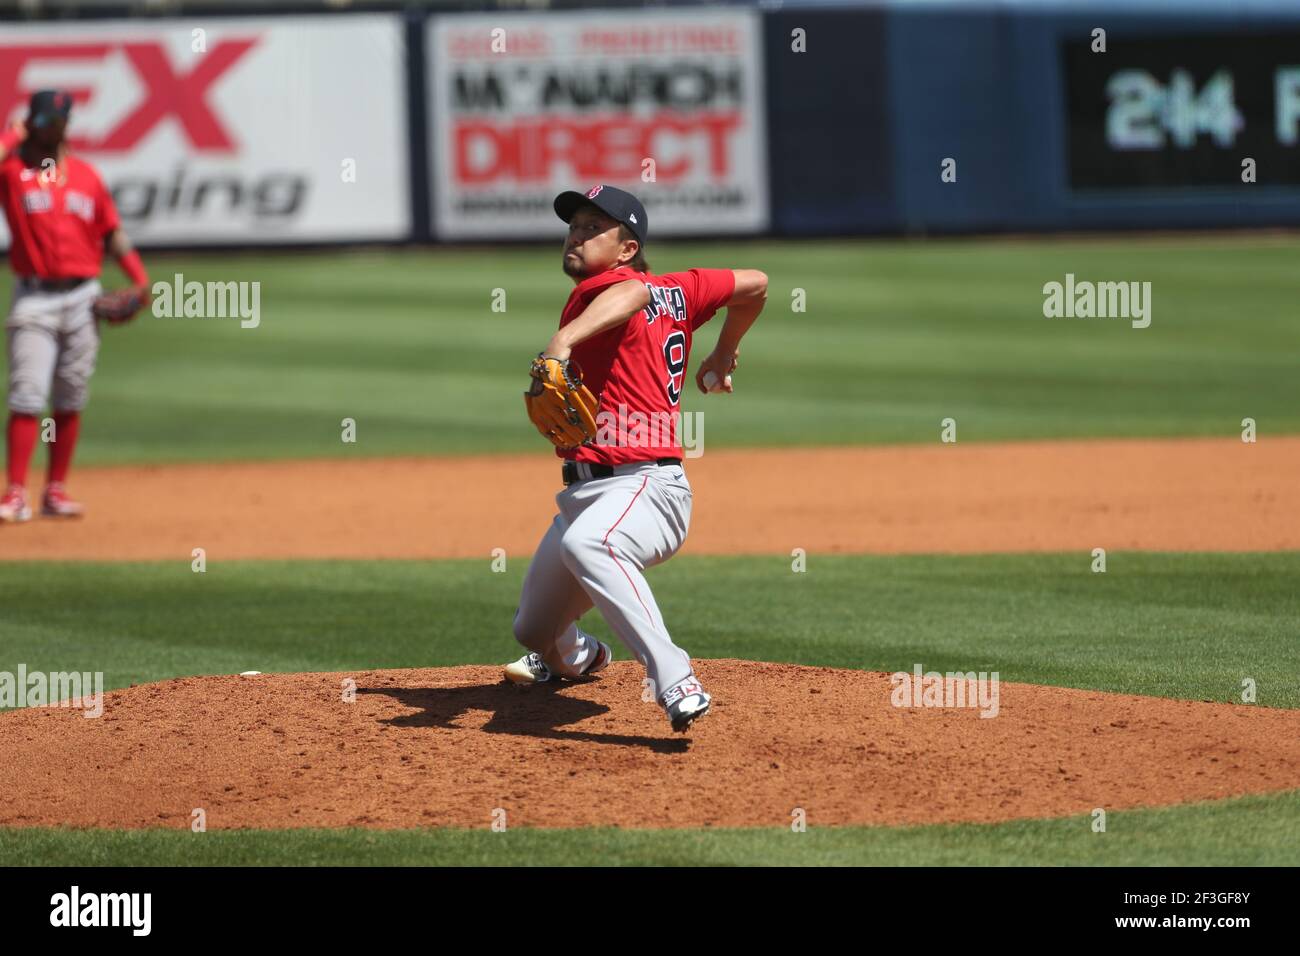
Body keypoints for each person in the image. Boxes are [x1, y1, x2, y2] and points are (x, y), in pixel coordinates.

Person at [504, 184, 768, 733]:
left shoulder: (614, 287)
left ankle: (675, 678)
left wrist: (563, 340)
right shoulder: (682, 288)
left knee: (589, 543)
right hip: (588, 495)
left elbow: (633, 297)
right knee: (533, 631)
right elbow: (755, 285)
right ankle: (582, 657)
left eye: (592, 228)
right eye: (574, 225)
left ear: (626, 250)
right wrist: (724, 349)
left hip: (646, 489)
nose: (576, 234)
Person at [0, 89, 148, 523]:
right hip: (34, 297)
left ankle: (55, 491)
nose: (52, 129)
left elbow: (112, 234)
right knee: (27, 394)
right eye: (43, 122)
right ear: (31, 122)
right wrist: (12, 137)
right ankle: (14, 493)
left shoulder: (87, 175)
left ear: (68, 125)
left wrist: (141, 281)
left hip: (83, 296)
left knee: (71, 394)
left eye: (58, 122)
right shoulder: (12, 171)